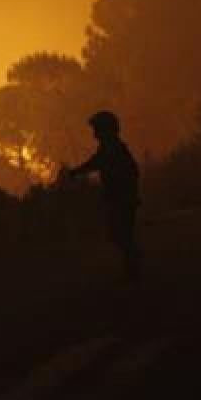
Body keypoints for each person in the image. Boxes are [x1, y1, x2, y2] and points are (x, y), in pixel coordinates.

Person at [64, 110, 143, 282]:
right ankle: (132, 267)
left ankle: (133, 268)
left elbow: (99, 164)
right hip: (120, 198)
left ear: (106, 130)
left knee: (120, 234)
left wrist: (76, 172)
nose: (94, 133)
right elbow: (97, 163)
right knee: (120, 234)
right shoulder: (110, 147)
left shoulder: (112, 148)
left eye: (97, 129)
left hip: (121, 199)